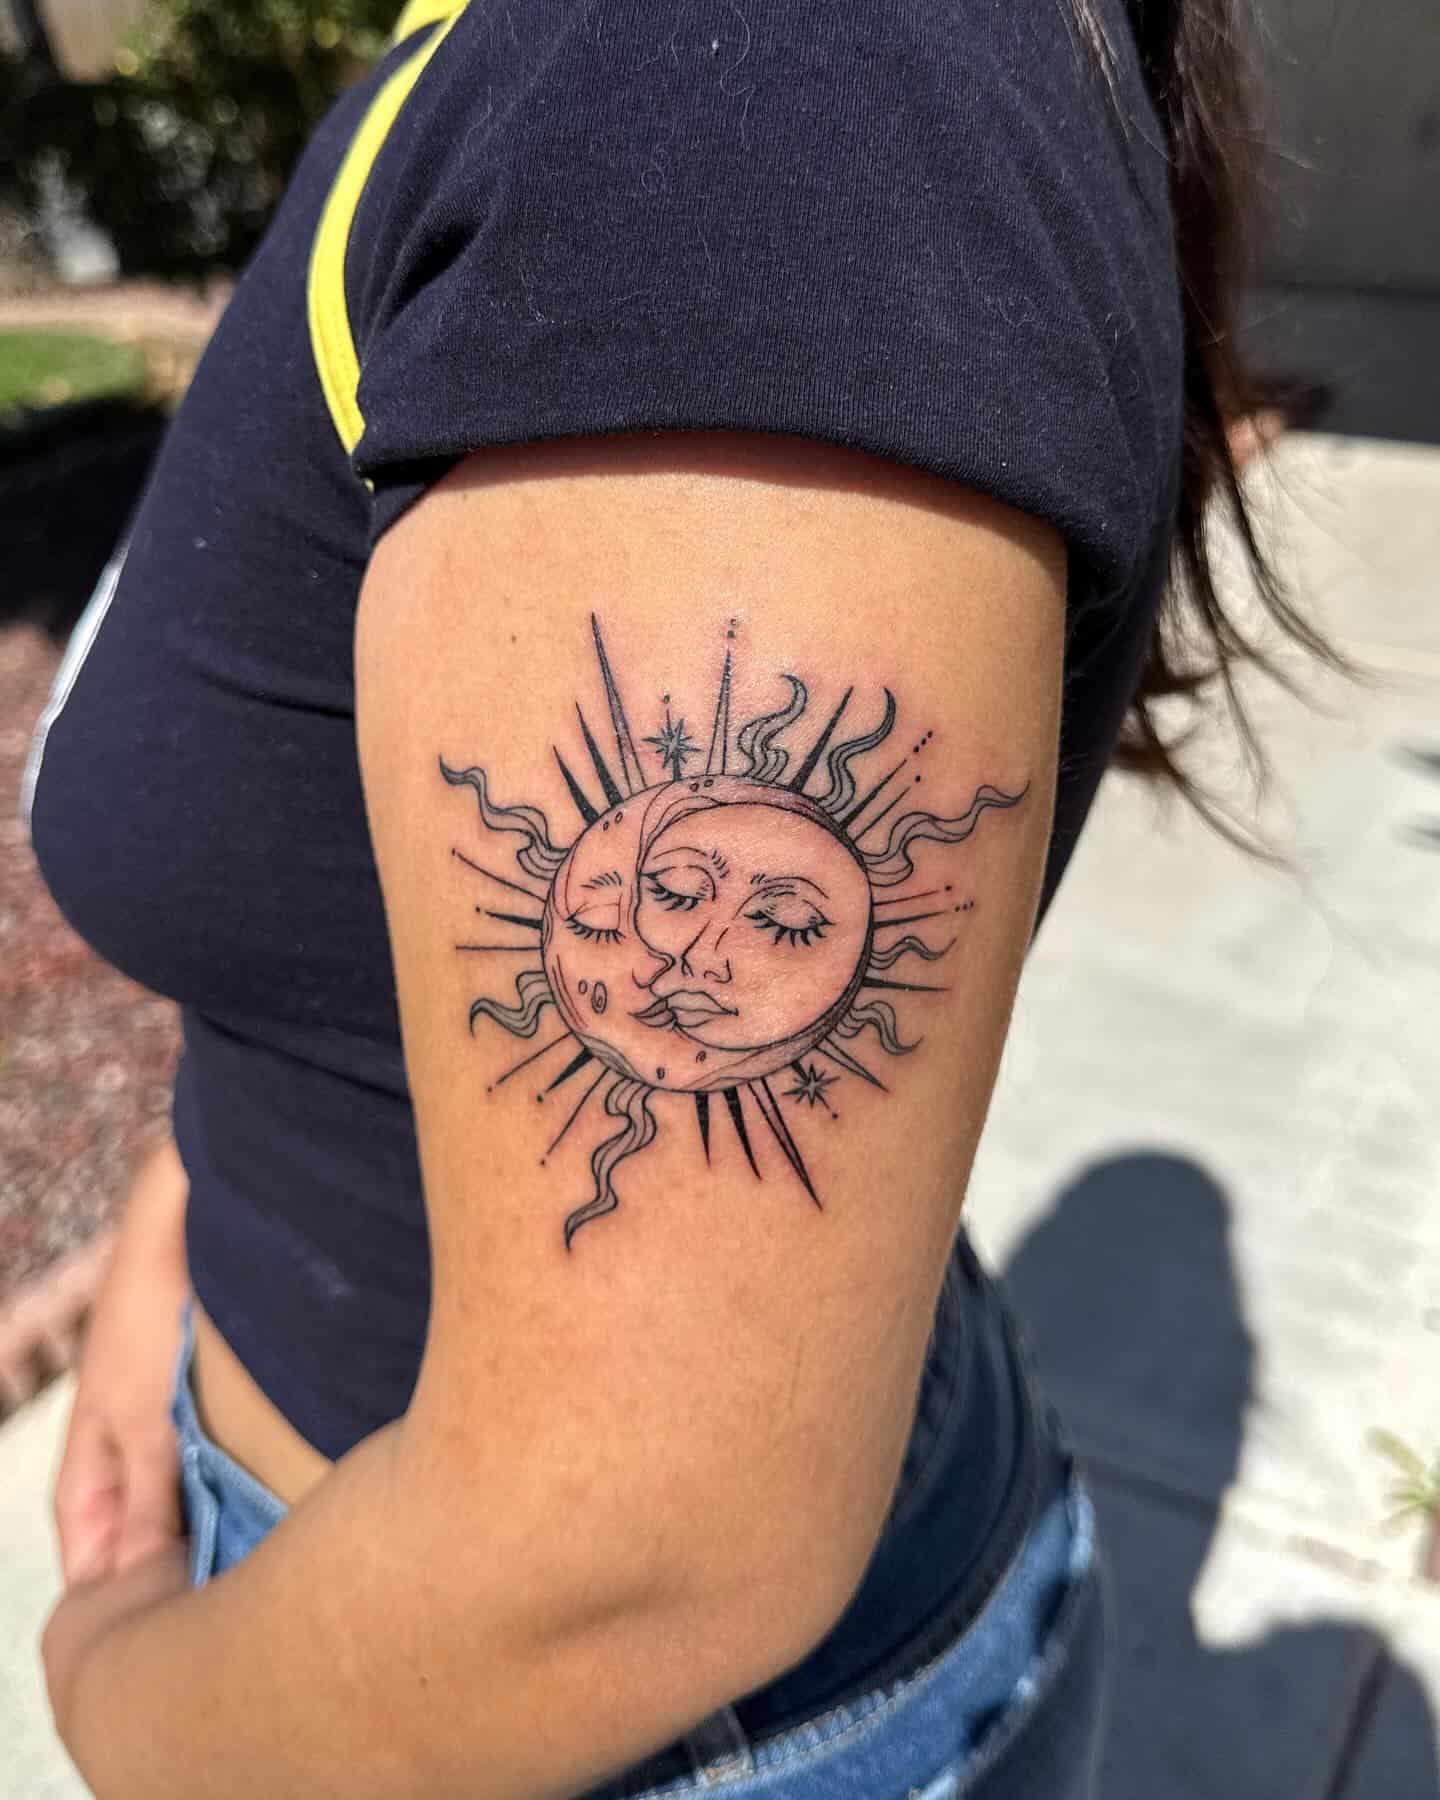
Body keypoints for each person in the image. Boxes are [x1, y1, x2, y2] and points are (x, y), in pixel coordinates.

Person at [27, 0, 1325, 1794]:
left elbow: (626, 1562)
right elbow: (316, 871)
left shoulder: (761, 79)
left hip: (569, 1721)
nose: (701, 949)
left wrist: (118, 1693)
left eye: (760, 926)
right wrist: (184, 1232)